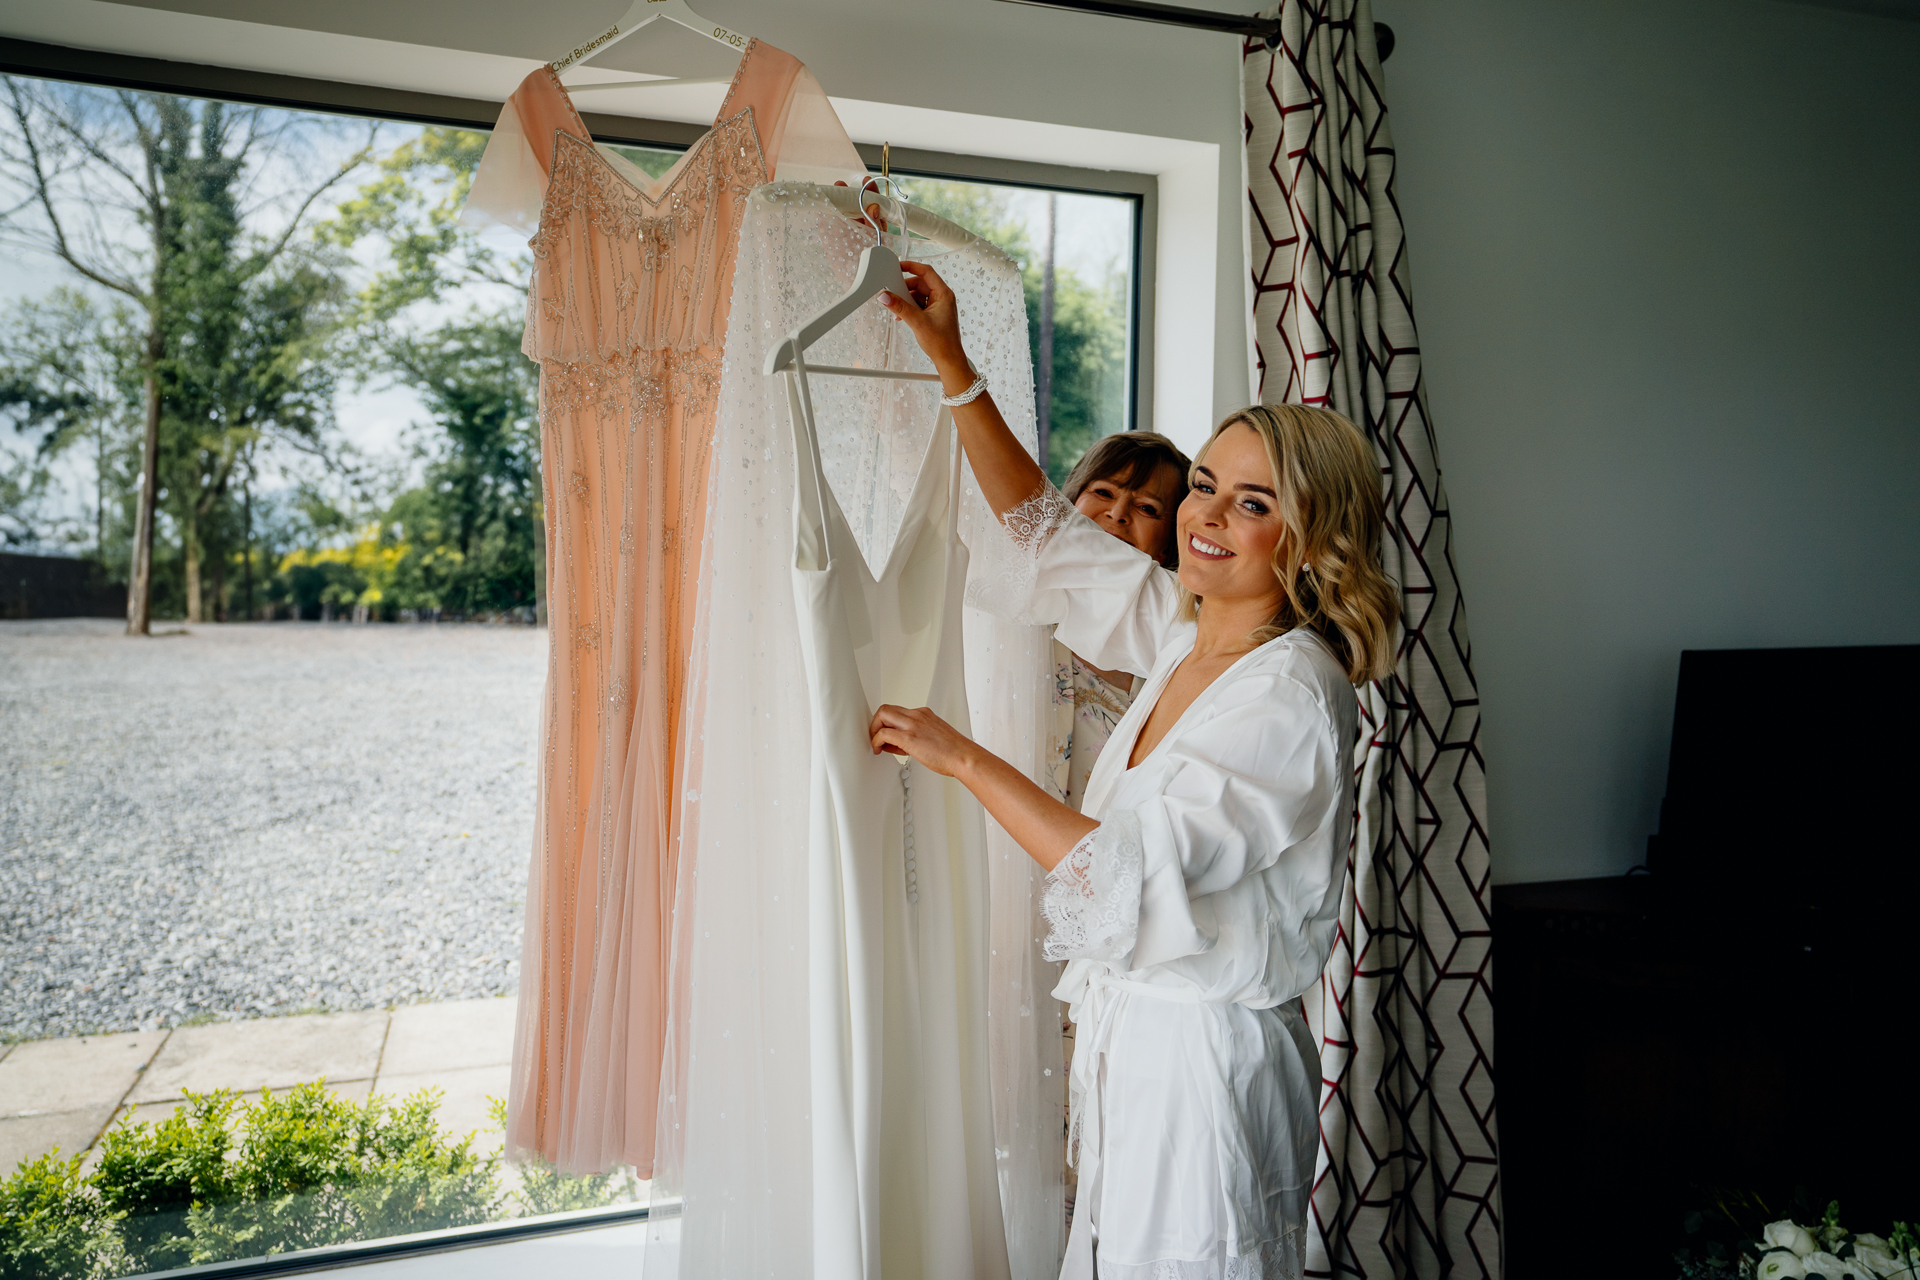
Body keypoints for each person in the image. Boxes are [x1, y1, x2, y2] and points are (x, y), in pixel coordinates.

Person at [868, 260, 1401, 1280]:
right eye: (1206, 482)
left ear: (1309, 534)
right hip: (1138, 1054)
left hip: (1203, 1072)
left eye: (1252, 503)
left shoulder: (1289, 694)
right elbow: (1045, 534)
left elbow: (1117, 870)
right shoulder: (1185, 632)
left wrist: (961, 754)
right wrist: (952, 361)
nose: (1206, 515)